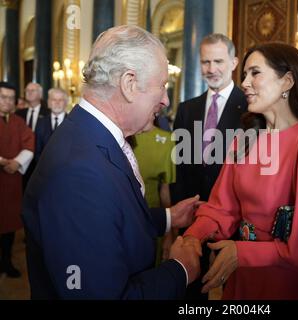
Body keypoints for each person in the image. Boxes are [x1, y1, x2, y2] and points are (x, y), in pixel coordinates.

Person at [22, 25, 201, 299]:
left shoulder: (91, 134)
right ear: (129, 84)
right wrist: (180, 269)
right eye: (162, 85)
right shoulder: (79, 173)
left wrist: (167, 217)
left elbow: (109, 219)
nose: (165, 99)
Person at [183, 43, 298, 299]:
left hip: (282, 281)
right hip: (239, 276)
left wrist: (243, 253)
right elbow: (222, 208)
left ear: (287, 81)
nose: (245, 83)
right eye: (244, 75)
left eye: (255, 73)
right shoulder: (243, 141)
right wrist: (194, 236)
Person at [172, 33, 248, 299]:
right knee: (191, 286)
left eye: (218, 61)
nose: (211, 69)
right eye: (206, 62)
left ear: (234, 62)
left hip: (234, 215)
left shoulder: (251, 108)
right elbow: (180, 165)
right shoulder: (186, 109)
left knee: (235, 288)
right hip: (192, 212)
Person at [0, 81, 34, 278]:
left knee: (9, 226)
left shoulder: (18, 122)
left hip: (12, 182)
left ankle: (7, 261)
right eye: (3, 97)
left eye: (11, 98)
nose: (7, 101)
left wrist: (17, 163)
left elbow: (29, 143)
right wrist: (2, 161)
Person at [133, 119, 177, 263]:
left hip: (151, 220)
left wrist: (169, 234)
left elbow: (165, 192)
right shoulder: (121, 134)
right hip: (118, 219)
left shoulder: (167, 141)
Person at [16, 82, 49, 191]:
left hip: (41, 161)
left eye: (32, 90)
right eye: (27, 90)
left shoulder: (48, 113)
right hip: (21, 161)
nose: (29, 93)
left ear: (40, 94)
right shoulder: (18, 113)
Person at [34, 88, 68, 161]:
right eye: (54, 100)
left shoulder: (74, 124)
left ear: (66, 103)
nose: (57, 103)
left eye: (60, 100)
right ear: (49, 103)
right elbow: (37, 151)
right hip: (44, 168)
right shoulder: (40, 123)